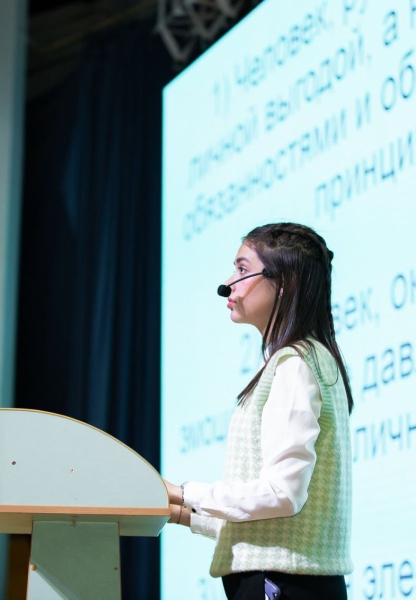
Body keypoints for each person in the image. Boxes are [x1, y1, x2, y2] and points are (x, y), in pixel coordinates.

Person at [164, 222, 354, 600]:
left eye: (241, 269)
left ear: (284, 283)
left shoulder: (295, 363)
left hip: (282, 586)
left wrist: (185, 493)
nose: (229, 283)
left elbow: (282, 495)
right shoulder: (307, 358)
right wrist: (179, 512)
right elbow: (271, 526)